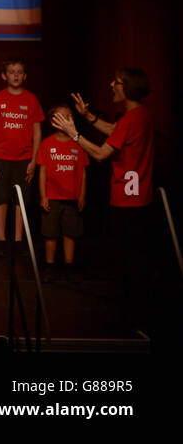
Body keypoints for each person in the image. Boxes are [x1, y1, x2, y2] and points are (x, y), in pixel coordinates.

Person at [55, 67, 155, 314]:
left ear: (129, 87)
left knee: (130, 259)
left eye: (117, 82)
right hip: (140, 198)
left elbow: (100, 154)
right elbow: (115, 130)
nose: (111, 85)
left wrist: (74, 134)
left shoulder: (131, 118)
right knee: (135, 257)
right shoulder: (139, 115)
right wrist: (87, 116)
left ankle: (135, 313)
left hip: (127, 201)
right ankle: (137, 308)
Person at [0, 57, 44, 251]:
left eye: (19, 72)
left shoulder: (31, 99)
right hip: (0, 157)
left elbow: (37, 132)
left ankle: (18, 240)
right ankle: (1, 239)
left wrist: (34, 160)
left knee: (21, 200)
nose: (16, 75)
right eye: (12, 72)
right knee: (0, 198)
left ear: (24, 76)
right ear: (4, 75)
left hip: (24, 159)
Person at [37, 105, 87, 281]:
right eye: (61, 117)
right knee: (50, 233)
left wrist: (81, 195)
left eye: (69, 117)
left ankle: (69, 266)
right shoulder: (46, 143)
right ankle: (50, 267)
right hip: (52, 197)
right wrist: (43, 196)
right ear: (53, 121)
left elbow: (82, 171)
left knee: (70, 232)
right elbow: (42, 171)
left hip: (71, 197)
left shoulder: (78, 143)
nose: (66, 120)